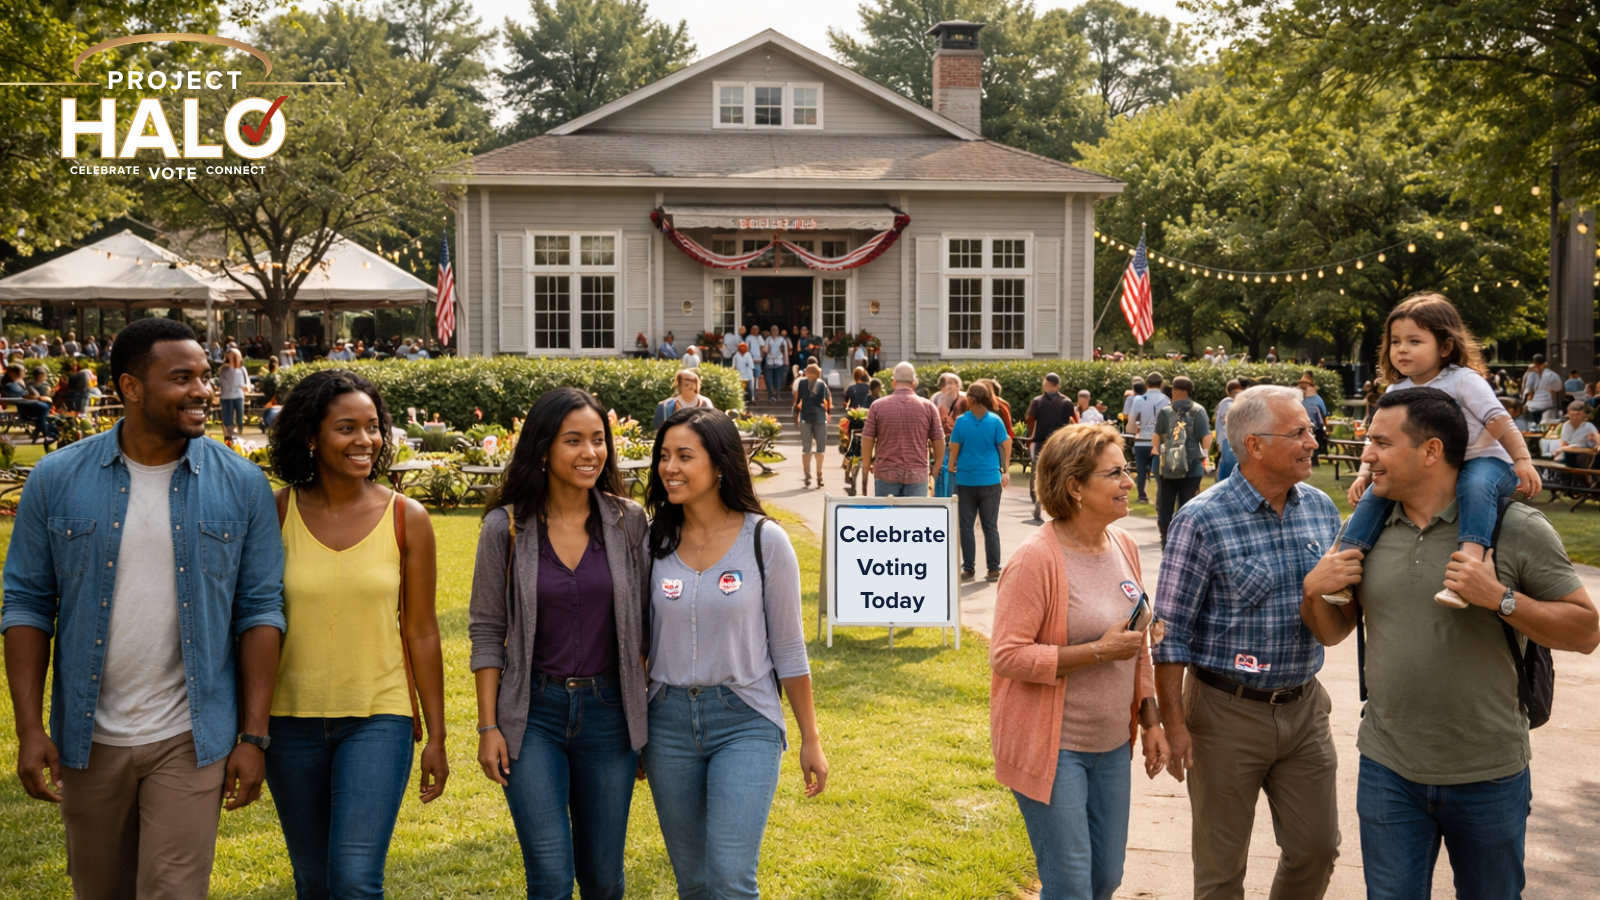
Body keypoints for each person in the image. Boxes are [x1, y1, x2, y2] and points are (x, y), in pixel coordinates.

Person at [1, 318, 284, 900]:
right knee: (99, 890)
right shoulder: (56, 479)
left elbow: (259, 611)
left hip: (192, 735)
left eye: (205, 377)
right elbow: (27, 605)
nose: (203, 391)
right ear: (131, 388)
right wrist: (30, 730)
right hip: (88, 736)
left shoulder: (242, 485)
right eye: (182, 378)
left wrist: (253, 738)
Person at [1299, 386, 1600, 900]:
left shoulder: (1515, 528)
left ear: (1431, 450)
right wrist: (1312, 590)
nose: (1366, 455)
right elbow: (1331, 631)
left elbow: (1586, 631)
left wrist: (1500, 598)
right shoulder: (1366, 532)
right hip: (1388, 769)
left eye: (1380, 442)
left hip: (1490, 773)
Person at [1153, 385, 1342, 900]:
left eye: (1310, 429)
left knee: (1317, 849)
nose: (1313, 441)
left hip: (1304, 710)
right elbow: (1169, 634)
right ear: (1254, 445)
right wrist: (1174, 722)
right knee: (1221, 871)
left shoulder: (1321, 510)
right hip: (1224, 715)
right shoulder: (1200, 519)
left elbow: (1341, 606)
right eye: (1299, 432)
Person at [265, 370, 449, 897]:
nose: (365, 440)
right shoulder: (275, 513)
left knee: (354, 879)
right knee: (314, 881)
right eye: (347, 428)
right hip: (288, 723)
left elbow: (422, 633)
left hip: (377, 719)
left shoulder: (406, 518)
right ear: (310, 436)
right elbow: (254, 625)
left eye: (373, 427)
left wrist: (436, 736)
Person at [470, 387, 653, 900]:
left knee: (603, 878)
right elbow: (487, 631)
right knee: (549, 877)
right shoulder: (503, 528)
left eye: (598, 440)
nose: (590, 453)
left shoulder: (628, 521)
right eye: (573, 440)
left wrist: (642, 721)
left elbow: (644, 630)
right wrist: (489, 726)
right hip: (534, 717)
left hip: (609, 715)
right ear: (544, 447)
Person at [642, 407, 828, 898]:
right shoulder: (653, 541)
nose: (669, 468)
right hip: (667, 723)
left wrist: (810, 737)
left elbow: (789, 648)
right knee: (694, 882)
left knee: (730, 877)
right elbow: (637, 641)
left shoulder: (766, 541)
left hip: (745, 718)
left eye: (685, 456)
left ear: (720, 464)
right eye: (664, 456)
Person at [991, 423, 1169, 900]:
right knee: (1071, 885)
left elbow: (1136, 644)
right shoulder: (1036, 559)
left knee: (1105, 878)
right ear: (1075, 486)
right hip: (1053, 748)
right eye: (1115, 473)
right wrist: (1096, 653)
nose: (1130, 482)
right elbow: (1007, 655)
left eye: (1127, 470)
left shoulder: (1123, 546)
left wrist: (1150, 720)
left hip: (1112, 745)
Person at [1328, 294, 1541, 609]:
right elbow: (1378, 437)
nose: (1401, 349)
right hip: (1434, 470)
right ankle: (1345, 571)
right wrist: (1365, 473)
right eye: (1395, 341)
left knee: (1475, 484)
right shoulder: (1396, 391)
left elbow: (1498, 421)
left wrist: (1522, 459)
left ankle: (1467, 573)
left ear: (1445, 347)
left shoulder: (1463, 380)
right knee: (1376, 494)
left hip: (1485, 462)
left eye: (1415, 341)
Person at [949, 381, 1012, 581]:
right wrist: (1005, 469)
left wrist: (951, 465)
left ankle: (969, 568)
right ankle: (993, 568)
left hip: (966, 479)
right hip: (990, 480)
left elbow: (954, 446)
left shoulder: (961, 421)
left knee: (966, 526)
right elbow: (1006, 444)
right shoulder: (995, 421)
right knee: (990, 526)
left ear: (971, 398)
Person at [861, 362, 944, 498]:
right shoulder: (928, 407)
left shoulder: (877, 406)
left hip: (886, 474)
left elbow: (867, 437)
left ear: (893, 382)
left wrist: (866, 467)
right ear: (914, 383)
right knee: (914, 518)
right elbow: (938, 439)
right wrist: (937, 466)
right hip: (917, 474)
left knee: (887, 517)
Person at [1150, 376, 1212, 544]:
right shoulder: (1199, 411)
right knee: (1188, 506)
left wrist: (1159, 451)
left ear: (1178, 391)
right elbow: (1206, 438)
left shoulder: (1166, 411)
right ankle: (1186, 541)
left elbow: (1156, 440)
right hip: (1192, 468)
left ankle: (1166, 541)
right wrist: (1204, 454)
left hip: (1168, 468)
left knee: (1165, 507)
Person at [1025, 373, 1076, 521]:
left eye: (1047, 383)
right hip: (1059, 441)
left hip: (1041, 441)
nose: (1045, 385)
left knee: (1038, 471)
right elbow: (1072, 423)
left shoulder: (1037, 401)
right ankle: (1057, 505)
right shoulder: (1066, 402)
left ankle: (1037, 503)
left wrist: (1030, 437)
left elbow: (1030, 420)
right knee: (1059, 471)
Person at [1127, 373, 1170, 504]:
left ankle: (1142, 495)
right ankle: (1160, 496)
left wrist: (1132, 432)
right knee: (1159, 471)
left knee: (1141, 469)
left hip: (1141, 440)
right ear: (1161, 384)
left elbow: (1131, 420)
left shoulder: (1138, 400)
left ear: (1147, 384)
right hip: (1158, 441)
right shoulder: (1166, 400)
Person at [794, 362, 831, 489]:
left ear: (809, 373)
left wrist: (798, 413)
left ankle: (807, 475)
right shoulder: (822, 385)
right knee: (820, 449)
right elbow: (826, 401)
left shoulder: (802, 383)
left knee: (806, 448)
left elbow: (799, 400)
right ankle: (819, 475)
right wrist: (827, 413)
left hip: (805, 417)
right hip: (820, 418)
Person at [0, 362, 56, 443]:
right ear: (13, 373)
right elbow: (21, 397)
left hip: (27, 405)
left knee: (44, 408)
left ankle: (41, 432)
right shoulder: (12, 385)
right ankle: (42, 432)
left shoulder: (17, 384)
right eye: (22, 371)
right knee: (44, 407)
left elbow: (24, 396)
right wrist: (38, 397)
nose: (24, 372)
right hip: (25, 407)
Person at [653, 368, 717, 431]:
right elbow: (658, 431)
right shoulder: (664, 406)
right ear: (677, 384)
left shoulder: (705, 403)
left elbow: (711, 429)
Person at [1554, 400, 1598, 467]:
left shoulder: (1589, 426)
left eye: (1577, 415)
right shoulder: (1566, 425)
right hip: (1569, 452)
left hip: (1585, 453)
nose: (1575, 418)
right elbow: (1564, 444)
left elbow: (1595, 447)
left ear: (1583, 415)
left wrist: (1594, 438)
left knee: (1582, 459)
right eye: (1572, 415)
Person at [1213, 380, 1242, 481]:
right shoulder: (1234, 403)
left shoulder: (1224, 403)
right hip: (1239, 446)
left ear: (1227, 391)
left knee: (1224, 482)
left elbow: (1220, 428)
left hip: (1227, 446)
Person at [217, 349, 249, 439]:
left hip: (239, 396)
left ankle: (237, 436)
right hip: (227, 396)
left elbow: (246, 383)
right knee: (228, 419)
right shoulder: (224, 369)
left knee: (239, 418)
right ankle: (229, 436)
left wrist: (245, 387)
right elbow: (224, 383)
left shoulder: (242, 369)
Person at [1299, 373, 1328, 466]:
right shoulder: (1300, 400)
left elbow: (1323, 416)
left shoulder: (1315, 400)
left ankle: (1313, 459)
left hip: (1315, 428)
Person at [1523, 353, 1561, 424]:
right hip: (1536, 406)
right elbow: (1557, 388)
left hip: (1544, 405)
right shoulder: (1532, 374)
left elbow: (1557, 389)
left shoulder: (1551, 375)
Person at [767, 327, 790, 399]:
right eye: (773, 330)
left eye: (776, 330)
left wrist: (785, 361)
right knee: (770, 378)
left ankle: (778, 393)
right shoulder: (768, 339)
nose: (775, 331)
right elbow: (766, 349)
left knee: (778, 378)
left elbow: (784, 351)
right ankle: (771, 394)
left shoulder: (782, 340)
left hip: (779, 361)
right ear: (771, 331)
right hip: (770, 362)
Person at [747, 327, 768, 397]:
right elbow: (747, 347)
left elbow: (762, 347)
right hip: (750, 358)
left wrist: (762, 356)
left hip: (758, 359)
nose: (756, 331)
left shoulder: (759, 337)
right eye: (754, 329)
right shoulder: (749, 337)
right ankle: (750, 389)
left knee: (757, 373)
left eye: (757, 329)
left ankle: (756, 388)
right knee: (750, 373)